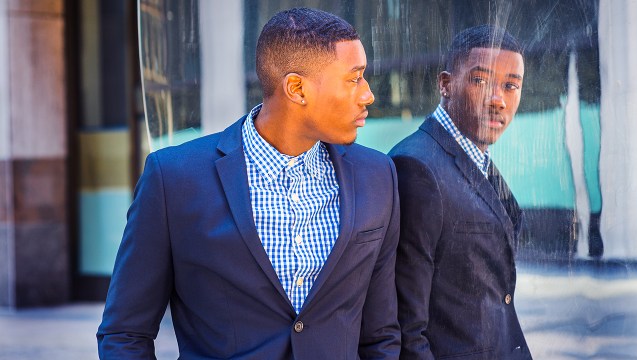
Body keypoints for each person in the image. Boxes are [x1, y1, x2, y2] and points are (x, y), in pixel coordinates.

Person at [97, 7, 401, 359]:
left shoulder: (378, 177)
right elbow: (125, 332)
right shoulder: (173, 179)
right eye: (354, 79)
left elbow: (381, 334)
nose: (367, 95)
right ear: (297, 88)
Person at [389, 25, 532, 359]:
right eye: (481, 81)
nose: (498, 99)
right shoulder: (418, 167)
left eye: (510, 86)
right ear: (445, 84)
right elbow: (408, 326)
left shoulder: (474, 155)